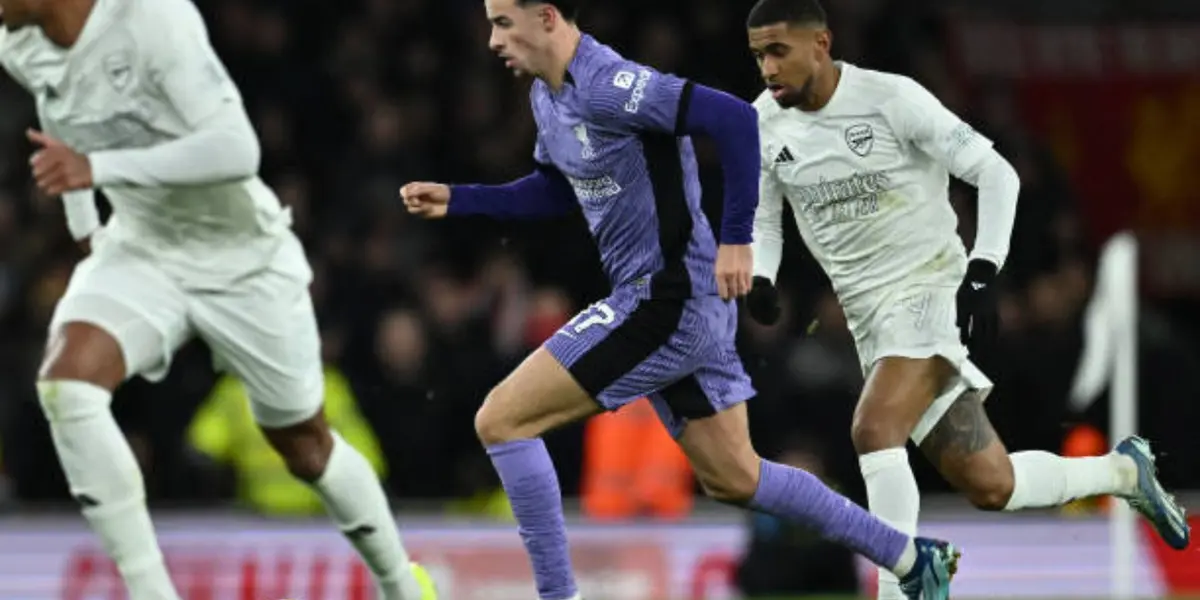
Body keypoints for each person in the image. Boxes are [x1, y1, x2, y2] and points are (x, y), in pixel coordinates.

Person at [402, 1, 960, 599]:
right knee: (736, 477)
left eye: (502, 22)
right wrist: (461, 199)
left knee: (502, 419)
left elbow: (733, 120)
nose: (491, 40)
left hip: (665, 299)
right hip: (678, 305)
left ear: (546, 18)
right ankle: (910, 558)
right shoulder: (548, 98)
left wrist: (737, 239)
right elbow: (556, 190)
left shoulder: (611, 85)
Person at [743, 0, 1191, 597]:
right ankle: (1123, 470)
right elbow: (765, 220)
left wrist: (983, 273)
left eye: (778, 51)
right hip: (869, 320)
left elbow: (996, 173)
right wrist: (765, 276)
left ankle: (903, 583)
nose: (767, 69)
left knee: (873, 430)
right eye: (757, 56)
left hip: (929, 290)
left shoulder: (891, 99)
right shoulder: (763, 124)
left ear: (821, 44)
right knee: (992, 484)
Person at [0, 0, 436, 597]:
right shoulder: (17, 40)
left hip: (241, 257)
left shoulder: (154, 18)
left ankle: (402, 584)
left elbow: (235, 149)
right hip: (143, 246)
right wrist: (83, 221)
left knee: (305, 447)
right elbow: (55, 108)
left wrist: (96, 169)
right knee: (67, 384)